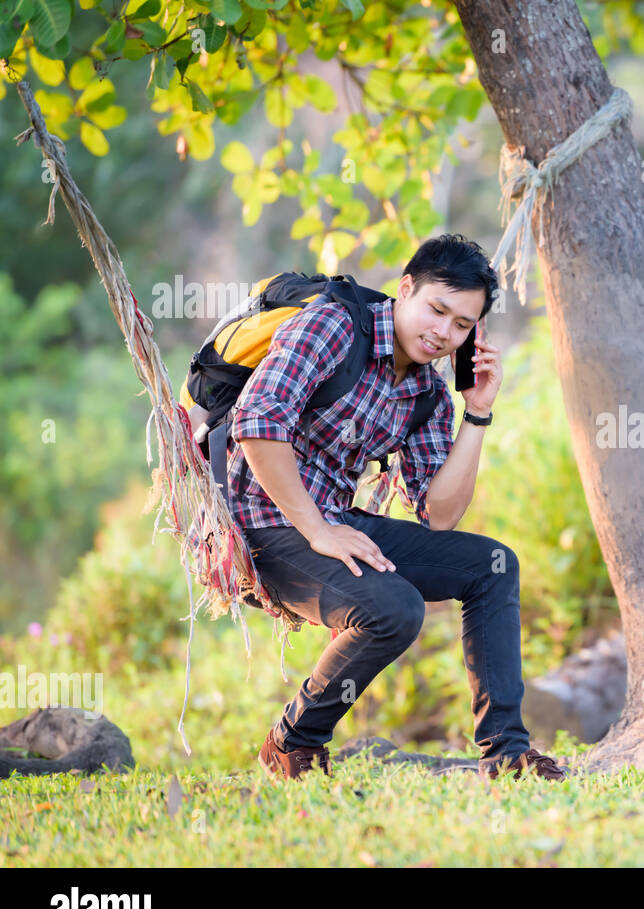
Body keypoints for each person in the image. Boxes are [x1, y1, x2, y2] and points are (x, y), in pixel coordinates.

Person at [228, 234, 568, 782]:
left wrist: (476, 412)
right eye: (437, 309)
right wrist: (317, 530)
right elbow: (257, 424)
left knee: (492, 565)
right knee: (394, 608)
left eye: (462, 325)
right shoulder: (333, 327)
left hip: (333, 523)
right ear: (405, 288)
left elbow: (439, 514)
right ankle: (294, 742)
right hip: (264, 522)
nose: (443, 333)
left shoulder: (428, 393)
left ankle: (506, 754)